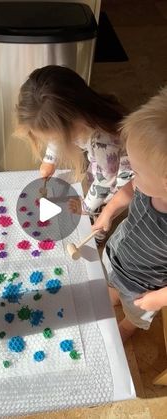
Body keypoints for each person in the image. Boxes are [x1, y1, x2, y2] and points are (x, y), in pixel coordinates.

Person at [16, 65, 133, 243]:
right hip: (104, 167)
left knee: (102, 207)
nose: (53, 142)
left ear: (71, 127)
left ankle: (97, 234)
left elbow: (105, 182)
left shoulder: (103, 142)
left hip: (122, 177)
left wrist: (85, 207)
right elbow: (56, 137)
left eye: (55, 138)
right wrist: (50, 160)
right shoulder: (79, 113)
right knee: (94, 186)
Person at [92, 86, 167, 342]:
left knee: (135, 311)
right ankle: (113, 294)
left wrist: (158, 298)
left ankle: (128, 325)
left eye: (138, 170)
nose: (132, 174)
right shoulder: (150, 185)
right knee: (111, 284)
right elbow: (128, 190)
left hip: (143, 286)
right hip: (117, 253)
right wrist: (109, 212)